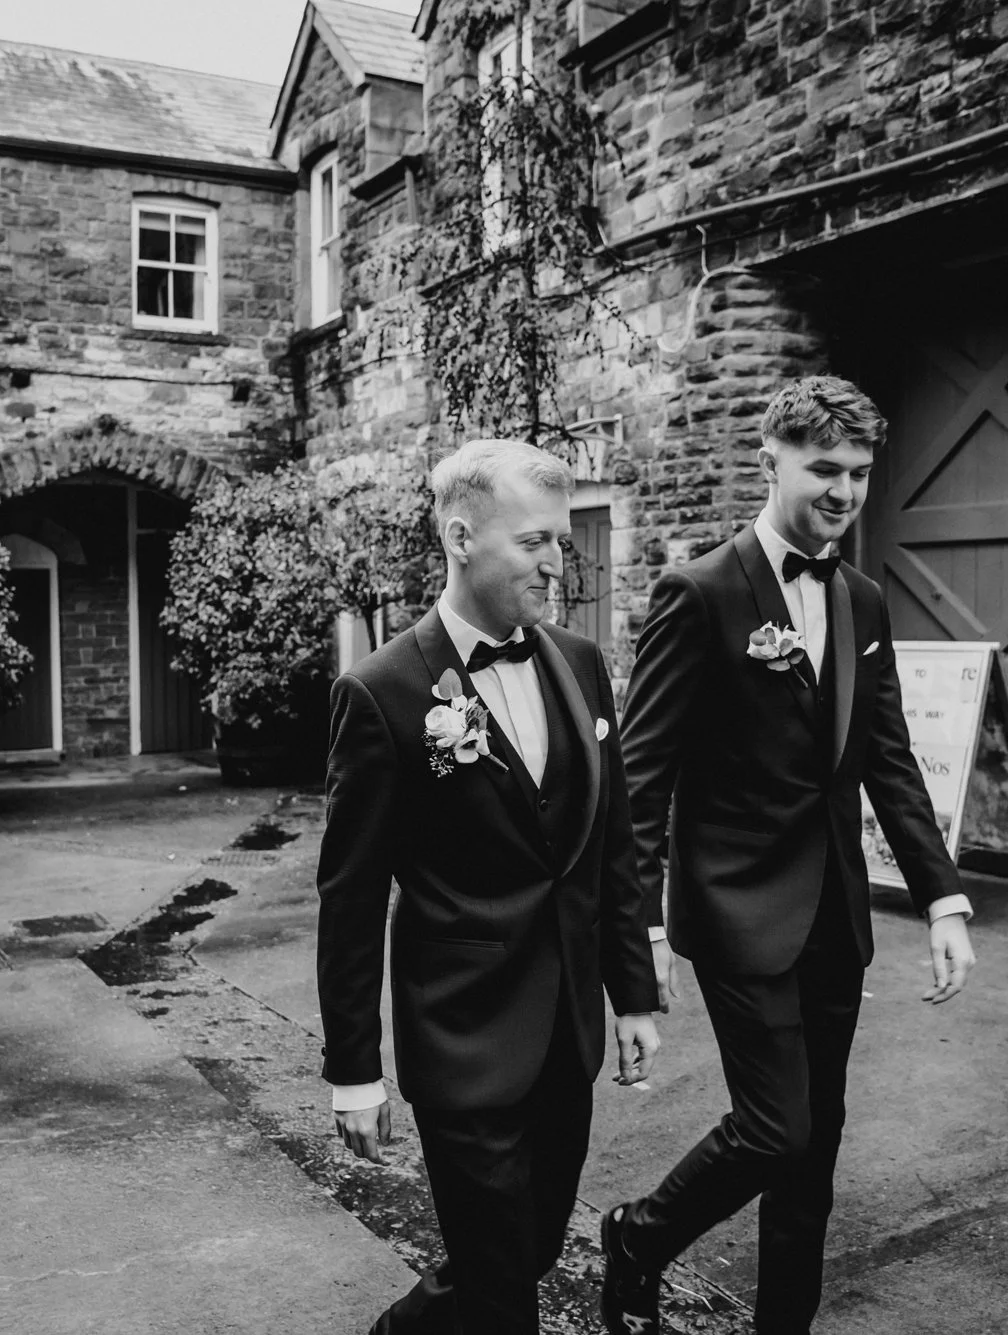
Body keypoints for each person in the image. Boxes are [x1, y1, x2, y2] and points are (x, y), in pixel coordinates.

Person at [601, 376, 977, 1335]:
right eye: (824, 470)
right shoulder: (701, 592)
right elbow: (641, 780)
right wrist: (637, 927)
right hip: (734, 911)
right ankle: (640, 1234)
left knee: (816, 1150)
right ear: (772, 462)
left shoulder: (862, 598)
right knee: (779, 1127)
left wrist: (942, 900)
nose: (845, 492)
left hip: (835, 920)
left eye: (858, 473)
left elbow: (887, 759)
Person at [316, 438, 664, 1335]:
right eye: (535, 542)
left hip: (566, 1036)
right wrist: (353, 1070)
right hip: (463, 1038)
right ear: (461, 536)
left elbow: (608, 843)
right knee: (506, 1290)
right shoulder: (383, 691)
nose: (558, 562)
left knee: (528, 1247)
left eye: (561, 540)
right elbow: (350, 899)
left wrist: (632, 992)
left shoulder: (581, 663)